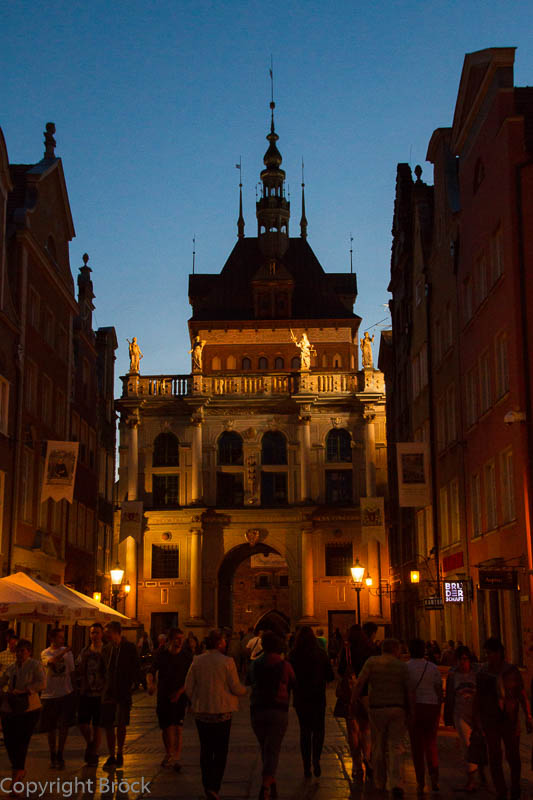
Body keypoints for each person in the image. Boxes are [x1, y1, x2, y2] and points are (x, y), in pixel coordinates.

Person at [184, 629, 247, 800]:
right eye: (224, 641)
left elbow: (188, 687)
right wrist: (245, 690)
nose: (226, 643)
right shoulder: (227, 662)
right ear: (219, 643)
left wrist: (197, 699)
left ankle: (207, 785)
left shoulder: (197, 660)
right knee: (220, 751)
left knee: (205, 750)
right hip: (222, 713)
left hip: (202, 713)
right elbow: (235, 687)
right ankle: (214, 787)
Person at [351, 638, 412, 799]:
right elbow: (409, 689)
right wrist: (411, 710)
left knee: (378, 745)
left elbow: (359, 683)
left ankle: (380, 781)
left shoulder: (372, 662)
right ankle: (396, 783)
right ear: (396, 650)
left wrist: (353, 701)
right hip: (397, 708)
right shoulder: (402, 666)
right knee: (396, 746)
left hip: (377, 708)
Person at [474, 637, 532, 800]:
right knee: (494, 756)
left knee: (513, 756)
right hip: (490, 720)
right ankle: (501, 791)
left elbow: (521, 694)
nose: (488, 656)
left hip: (510, 719)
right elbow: (478, 697)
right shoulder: (483, 673)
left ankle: (515, 787)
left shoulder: (511, 671)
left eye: (490, 653)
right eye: (486, 653)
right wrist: (477, 719)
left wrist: (527, 715)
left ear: (499, 653)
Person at [249, 631, 296, 799]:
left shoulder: (255, 664)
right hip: (278, 709)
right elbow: (293, 682)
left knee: (265, 747)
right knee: (273, 749)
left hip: (257, 709)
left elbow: (250, 680)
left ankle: (271, 780)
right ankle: (266, 785)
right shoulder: (285, 665)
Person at [289, 626, 334, 779]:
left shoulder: (293, 655)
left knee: (305, 731)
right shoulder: (320, 654)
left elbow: (289, 677)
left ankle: (306, 766)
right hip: (318, 697)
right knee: (319, 730)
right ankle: (316, 759)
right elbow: (330, 675)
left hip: (301, 698)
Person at [0, 639, 45, 788]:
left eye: (22, 651)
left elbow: (42, 683)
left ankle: (17, 774)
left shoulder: (35, 665)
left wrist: (26, 690)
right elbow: (3, 681)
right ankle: (18, 769)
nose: (19, 654)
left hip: (29, 707)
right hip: (11, 707)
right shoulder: (12, 667)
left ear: (28, 652)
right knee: (9, 740)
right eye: (18, 651)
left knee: (21, 740)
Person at [147, 628, 192, 770]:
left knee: (178, 727)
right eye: (177, 638)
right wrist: (150, 684)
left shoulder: (186, 656)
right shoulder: (162, 655)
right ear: (170, 640)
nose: (180, 641)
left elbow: (190, 678)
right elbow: (151, 670)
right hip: (164, 695)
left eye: (181, 638)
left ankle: (176, 756)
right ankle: (169, 753)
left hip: (180, 696)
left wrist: (180, 692)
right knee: (166, 727)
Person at [444, 645, 485, 792]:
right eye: (460, 660)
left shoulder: (477, 673)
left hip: (477, 715)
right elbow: (450, 696)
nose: (463, 662)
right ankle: (471, 779)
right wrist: (448, 716)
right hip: (460, 713)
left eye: (465, 659)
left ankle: (481, 773)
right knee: (467, 745)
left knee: (480, 745)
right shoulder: (453, 675)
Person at [100, 621, 141, 769]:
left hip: (123, 690)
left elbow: (136, 667)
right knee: (109, 724)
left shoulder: (129, 648)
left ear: (116, 632)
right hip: (108, 691)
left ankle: (120, 752)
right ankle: (111, 754)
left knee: (121, 723)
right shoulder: (106, 649)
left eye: (108, 632)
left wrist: (134, 683)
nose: (106, 635)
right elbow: (102, 668)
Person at [336, 624, 373, 781]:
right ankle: (368, 758)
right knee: (366, 729)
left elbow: (340, 671)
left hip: (350, 694)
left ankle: (357, 765)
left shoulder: (347, 651)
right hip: (366, 694)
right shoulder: (371, 650)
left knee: (353, 730)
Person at [406, 637, 443, 793]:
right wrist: (439, 708)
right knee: (431, 744)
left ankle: (420, 782)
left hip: (415, 708)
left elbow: (405, 689)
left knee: (417, 747)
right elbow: (439, 689)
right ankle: (434, 779)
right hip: (431, 706)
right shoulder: (432, 667)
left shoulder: (406, 668)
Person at [40, 628, 76, 769]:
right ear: (52, 639)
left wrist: (74, 689)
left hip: (65, 692)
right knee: (51, 727)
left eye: (62, 637)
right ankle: (52, 753)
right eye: (59, 637)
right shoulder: (45, 653)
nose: (62, 639)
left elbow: (71, 672)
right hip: (49, 694)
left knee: (63, 726)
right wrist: (65, 651)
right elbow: (51, 662)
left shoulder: (69, 654)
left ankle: (60, 753)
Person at [76, 622, 107, 767]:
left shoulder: (106, 650)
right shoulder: (85, 651)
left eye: (97, 632)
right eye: (92, 632)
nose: (94, 635)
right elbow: (78, 667)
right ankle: (90, 743)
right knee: (82, 723)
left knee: (97, 725)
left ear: (102, 634)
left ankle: (93, 752)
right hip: (86, 691)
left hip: (100, 693)